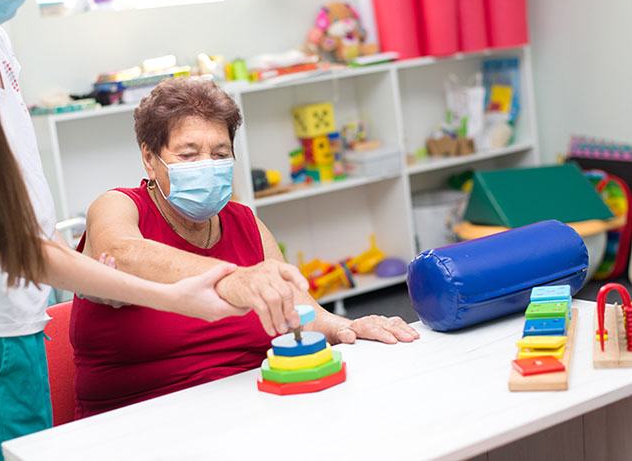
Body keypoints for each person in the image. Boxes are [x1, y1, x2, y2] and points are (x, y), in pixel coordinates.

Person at [0, 0, 302, 459]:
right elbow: (23, 249)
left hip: (20, 326)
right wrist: (176, 295)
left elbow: (35, 232)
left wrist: (105, 282)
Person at [71, 77, 420, 418]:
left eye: (220, 153)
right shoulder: (118, 205)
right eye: (188, 154)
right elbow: (120, 251)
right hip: (138, 420)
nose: (207, 166)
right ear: (149, 158)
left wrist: (347, 327)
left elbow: (299, 312)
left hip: (250, 410)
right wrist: (234, 279)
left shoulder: (245, 222)